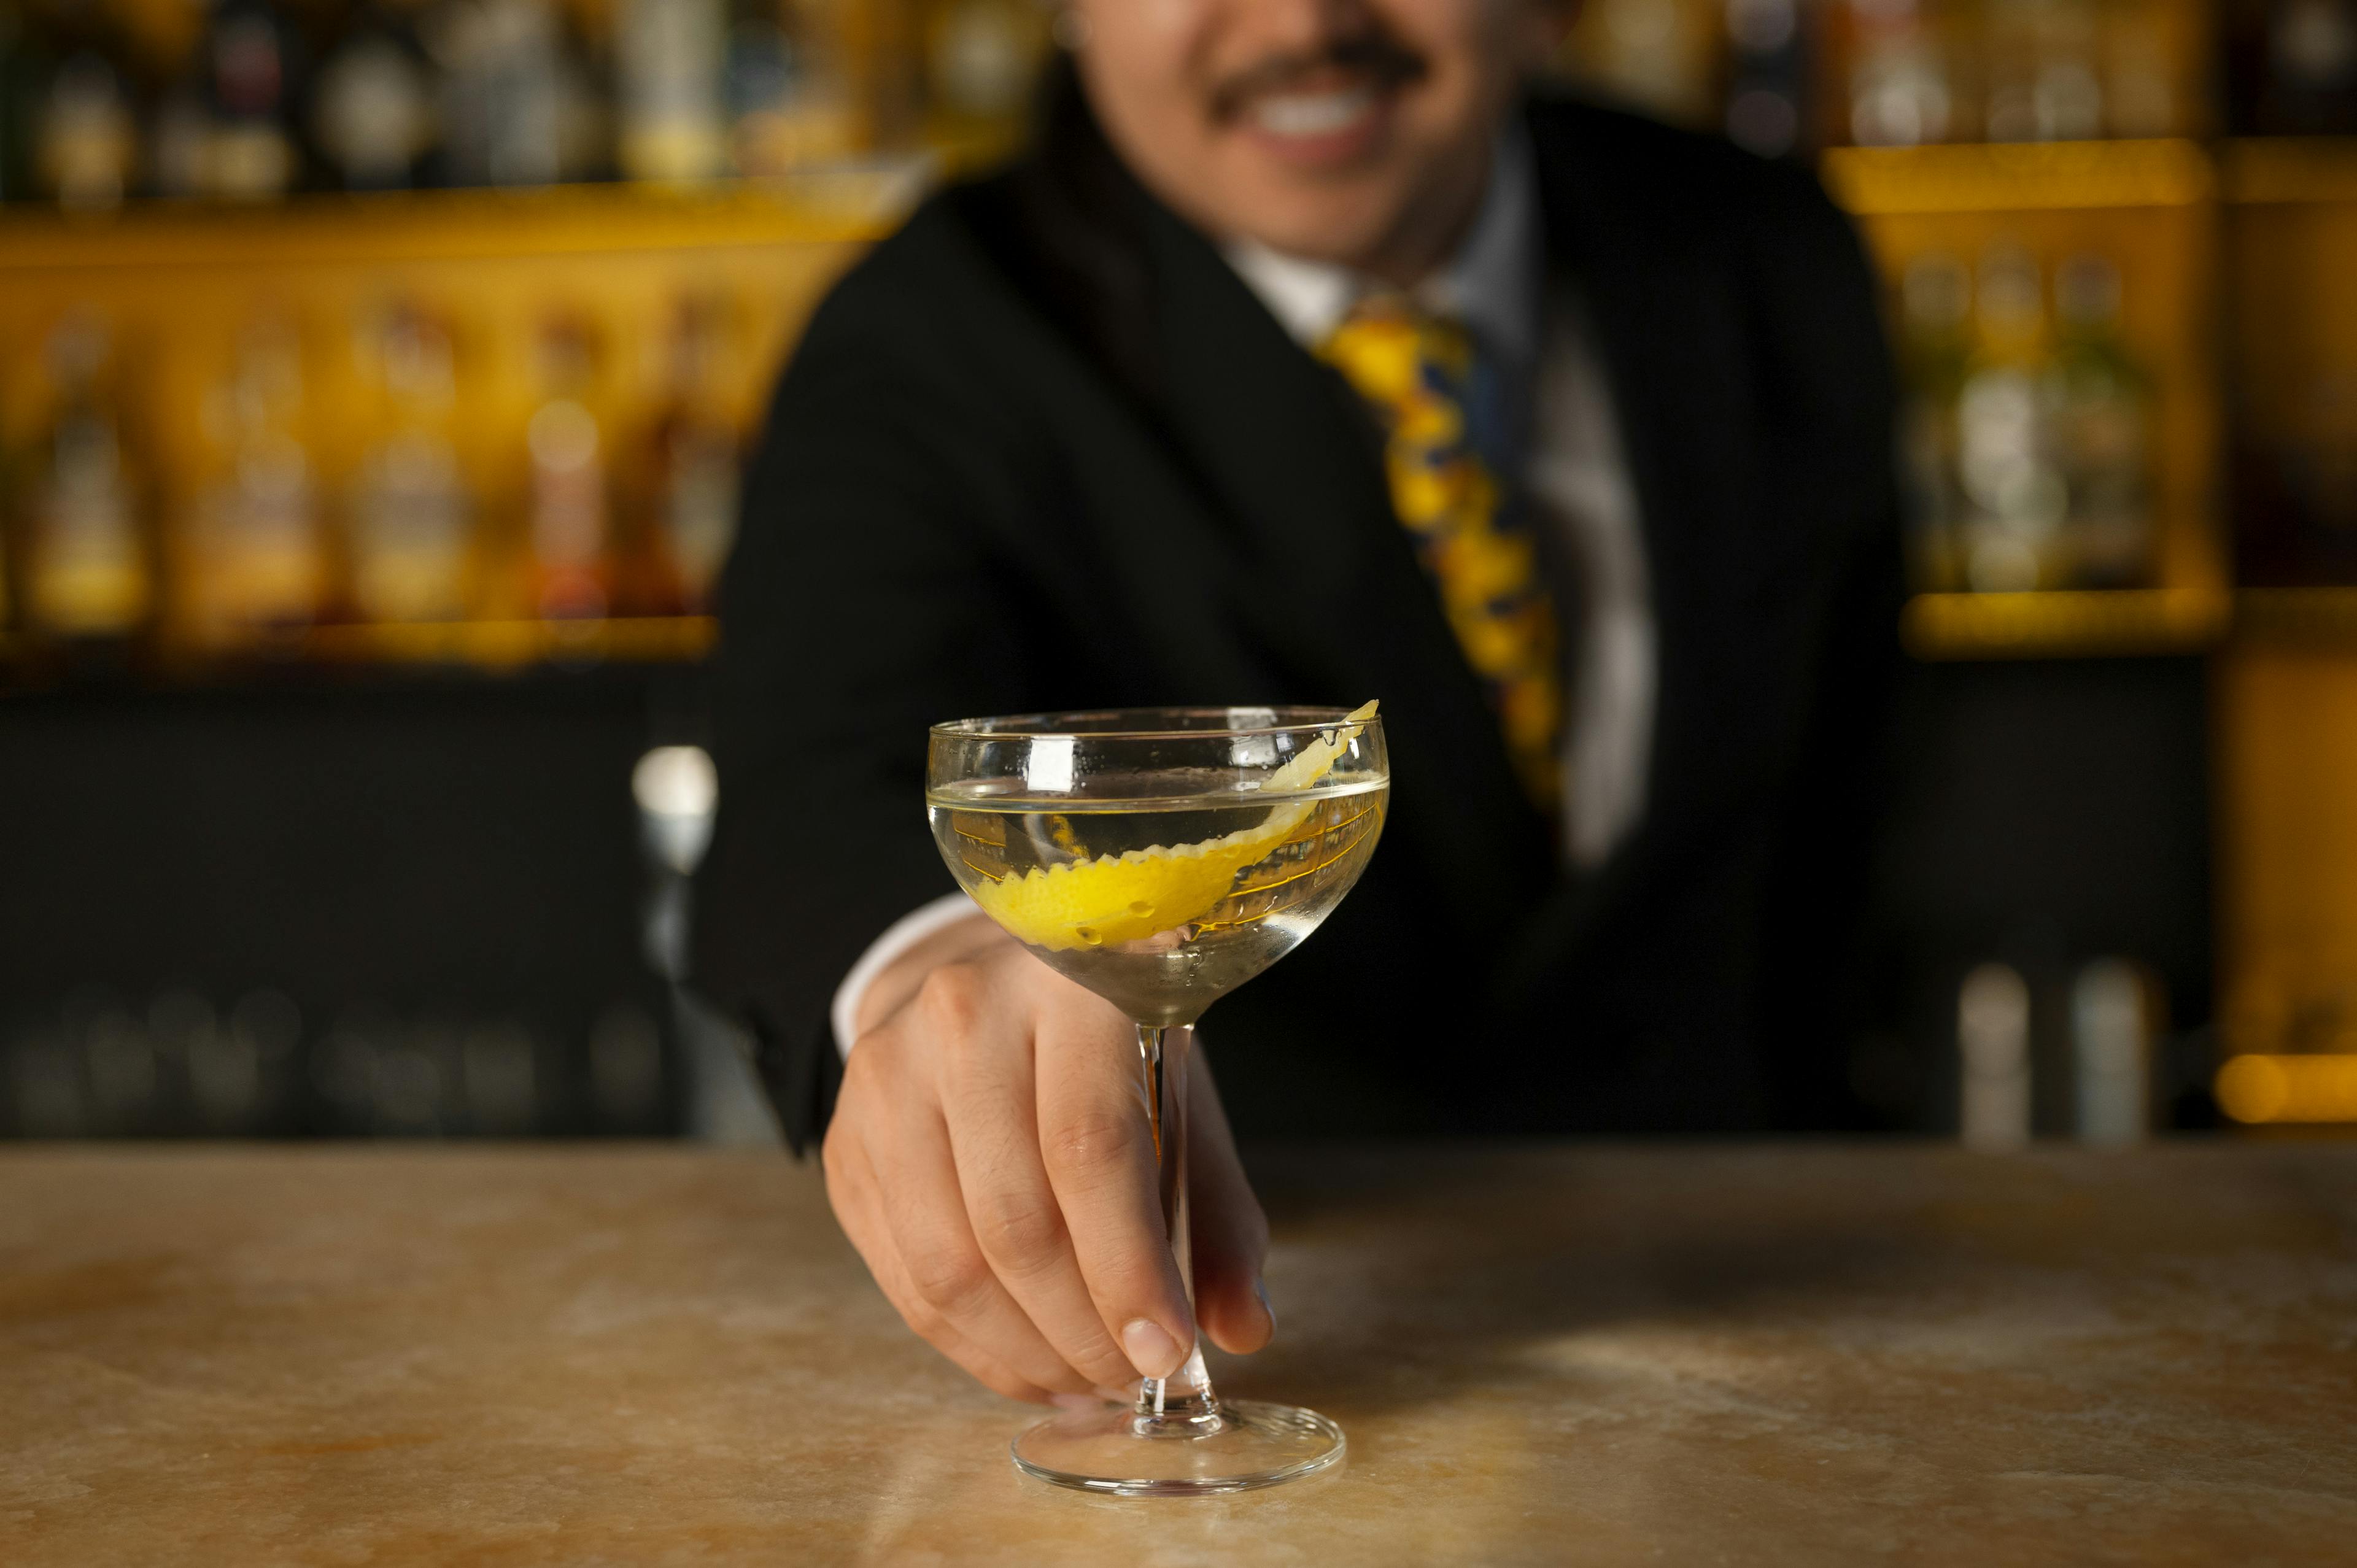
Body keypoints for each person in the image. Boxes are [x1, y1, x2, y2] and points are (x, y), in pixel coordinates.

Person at [694, 0, 1902, 1408]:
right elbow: (811, 775)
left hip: (1783, 1324)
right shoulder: (927, 332)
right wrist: (938, 966)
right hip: (1296, 1336)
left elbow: (1842, 804)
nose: (1304, 22)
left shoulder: (1761, 248)